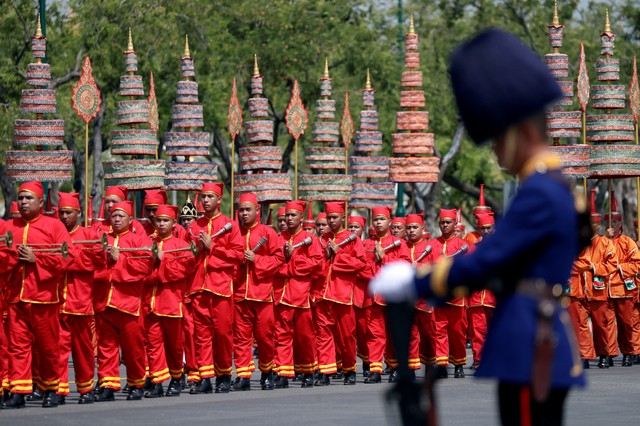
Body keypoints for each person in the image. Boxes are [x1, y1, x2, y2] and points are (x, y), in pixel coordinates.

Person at [371, 28, 585, 426]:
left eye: (497, 139)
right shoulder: (553, 186)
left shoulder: (539, 192)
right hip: (535, 336)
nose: (496, 150)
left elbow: (488, 258)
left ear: (521, 131)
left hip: (529, 344)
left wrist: (415, 282)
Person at [2, 181, 74, 409]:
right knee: (17, 346)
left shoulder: (54, 226)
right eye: (21, 198)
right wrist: (13, 258)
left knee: (48, 347)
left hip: (43, 297)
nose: (23, 202)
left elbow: (67, 258)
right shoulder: (8, 226)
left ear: (41, 202)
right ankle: (19, 391)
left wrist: (37, 260)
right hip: (15, 297)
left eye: (29, 198)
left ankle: (52, 388)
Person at [93, 200, 154, 402]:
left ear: (130, 219)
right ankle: (108, 384)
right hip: (104, 301)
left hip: (128, 304)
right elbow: (92, 266)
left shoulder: (137, 240)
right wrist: (106, 261)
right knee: (106, 347)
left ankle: (137, 383)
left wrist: (120, 260)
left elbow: (144, 268)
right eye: (114, 215)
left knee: (133, 348)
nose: (117, 219)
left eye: (121, 216)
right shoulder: (102, 239)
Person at [187, 182, 243, 394]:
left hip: (220, 287)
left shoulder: (230, 225)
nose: (206, 200)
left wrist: (214, 247)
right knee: (201, 334)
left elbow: (237, 256)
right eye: (203, 197)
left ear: (219, 200)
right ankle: (206, 377)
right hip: (199, 287)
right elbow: (186, 256)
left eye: (210, 197)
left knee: (222, 333)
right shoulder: (193, 226)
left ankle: (224, 374)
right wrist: (197, 250)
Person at [57, 192, 106, 404]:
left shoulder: (88, 235)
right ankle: (57, 389)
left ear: (78, 213)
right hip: (57, 300)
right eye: (61, 213)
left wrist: (66, 259)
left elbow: (94, 262)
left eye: (68, 212)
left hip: (80, 301)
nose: (64, 216)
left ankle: (86, 388)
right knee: (56, 349)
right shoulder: (54, 233)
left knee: (83, 350)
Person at [143, 205, 195, 398]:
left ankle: (176, 377)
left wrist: (162, 262)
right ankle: (157, 381)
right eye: (159, 220)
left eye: (166, 220)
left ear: (174, 223)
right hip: (150, 303)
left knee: (174, 345)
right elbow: (141, 272)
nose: (162, 224)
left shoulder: (181, 246)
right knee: (153, 344)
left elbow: (183, 272)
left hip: (172, 303)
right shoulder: (146, 243)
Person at [233, 193, 284, 391]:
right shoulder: (234, 232)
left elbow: (279, 260)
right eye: (242, 210)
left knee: (265, 337)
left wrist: (257, 260)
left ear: (257, 211)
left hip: (262, 293)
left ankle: (267, 371)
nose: (244, 214)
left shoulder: (267, 233)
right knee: (241, 338)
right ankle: (244, 375)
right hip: (239, 293)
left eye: (248, 210)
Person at [313, 202, 366, 386]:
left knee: (346, 336)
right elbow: (315, 266)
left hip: (343, 294)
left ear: (343, 217)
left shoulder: (352, 239)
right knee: (324, 334)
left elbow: (360, 264)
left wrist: (339, 255)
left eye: (335, 217)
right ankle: (326, 371)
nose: (331, 221)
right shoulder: (320, 239)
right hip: (322, 295)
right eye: (329, 218)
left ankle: (349, 369)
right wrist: (326, 256)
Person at [273, 200, 323, 388]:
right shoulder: (279, 238)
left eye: (293, 215)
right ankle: (284, 373)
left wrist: (292, 261)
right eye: (287, 215)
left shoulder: (310, 240)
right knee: (282, 335)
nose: (289, 218)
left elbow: (317, 264)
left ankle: (309, 370)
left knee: (305, 337)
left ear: (302, 218)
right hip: (281, 295)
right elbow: (273, 264)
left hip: (301, 295)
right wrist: (286, 261)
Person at [363, 206, 411, 383]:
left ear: (389, 222)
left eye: (382, 219)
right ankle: (375, 369)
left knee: (393, 334)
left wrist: (384, 258)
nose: (378, 222)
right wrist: (374, 263)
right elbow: (360, 268)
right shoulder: (367, 244)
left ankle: (396, 366)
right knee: (374, 334)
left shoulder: (400, 244)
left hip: (392, 296)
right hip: (373, 297)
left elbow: (405, 265)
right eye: (375, 219)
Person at [571, 191, 616, 368]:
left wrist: (593, 267)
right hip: (577, 290)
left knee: (601, 324)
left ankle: (604, 354)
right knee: (580, 324)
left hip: (597, 290)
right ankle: (584, 356)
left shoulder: (605, 243)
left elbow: (612, 265)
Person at [427, 209, 469, 379]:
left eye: (448, 222)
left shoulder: (462, 245)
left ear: (454, 224)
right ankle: (442, 364)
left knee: (458, 333)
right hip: (439, 296)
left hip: (456, 298)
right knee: (439, 332)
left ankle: (458, 363)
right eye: (442, 223)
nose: (445, 226)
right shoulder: (433, 244)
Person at [603, 198, 640, 366]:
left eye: (615, 222)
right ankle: (609, 354)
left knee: (626, 323)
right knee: (606, 324)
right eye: (608, 222)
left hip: (623, 289)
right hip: (603, 289)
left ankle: (628, 352)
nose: (611, 225)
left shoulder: (627, 242)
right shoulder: (600, 242)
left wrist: (618, 268)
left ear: (620, 224)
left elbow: (637, 264)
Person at [467, 212, 497, 369]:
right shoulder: (473, 249)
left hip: (495, 297)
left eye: (488, 228)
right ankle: (479, 360)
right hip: (476, 298)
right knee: (478, 332)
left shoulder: (503, 247)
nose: (485, 231)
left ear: (494, 228)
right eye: (482, 228)